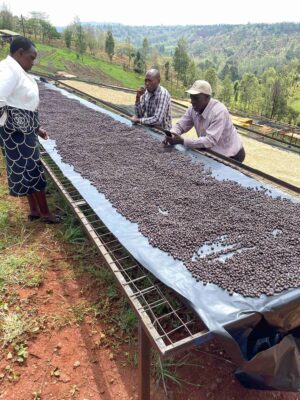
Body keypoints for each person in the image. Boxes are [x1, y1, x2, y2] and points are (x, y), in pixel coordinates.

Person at [0, 36, 61, 223]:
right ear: (20, 53)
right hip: (16, 132)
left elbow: (20, 105)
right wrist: (10, 126)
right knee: (33, 169)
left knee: (25, 170)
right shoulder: (9, 69)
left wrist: (36, 128)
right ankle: (44, 213)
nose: (33, 62)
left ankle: (35, 210)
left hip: (22, 130)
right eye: (31, 57)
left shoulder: (15, 69)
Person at [165, 80, 245, 162]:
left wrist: (183, 141)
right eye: (191, 97)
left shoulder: (219, 112)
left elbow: (210, 140)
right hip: (213, 151)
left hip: (231, 155)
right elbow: (181, 125)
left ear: (207, 97)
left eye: (196, 98)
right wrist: (172, 133)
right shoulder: (193, 109)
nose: (192, 102)